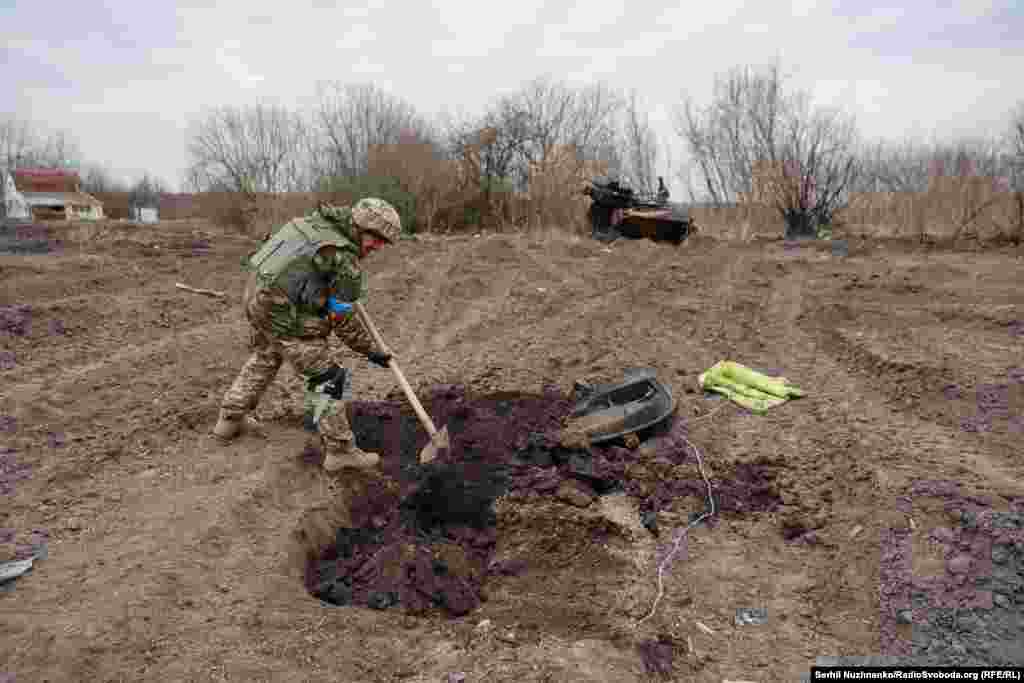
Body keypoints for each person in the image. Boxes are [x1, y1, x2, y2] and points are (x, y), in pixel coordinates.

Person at [211, 198, 401, 471]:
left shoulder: (310, 224)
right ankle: (340, 450)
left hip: (258, 301)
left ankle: (230, 419)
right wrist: (372, 350)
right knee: (327, 377)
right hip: (283, 312)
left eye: (384, 242)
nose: (378, 246)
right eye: (376, 239)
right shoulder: (343, 258)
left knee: (268, 354)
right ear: (359, 227)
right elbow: (342, 320)